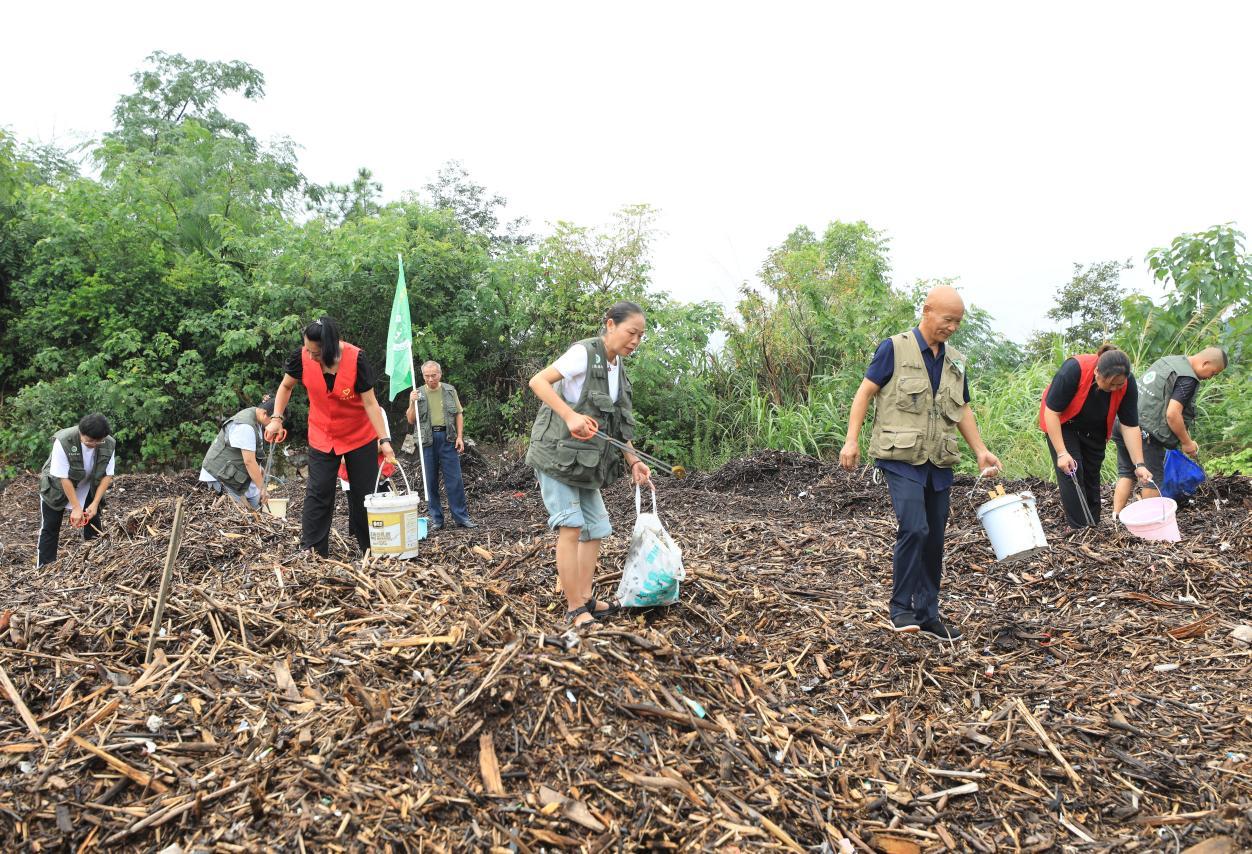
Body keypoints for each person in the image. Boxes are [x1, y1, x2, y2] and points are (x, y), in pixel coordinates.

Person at [840, 286, 1001, 640]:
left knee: (934, 538)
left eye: (958, 322)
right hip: (900, 457)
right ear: (927, 311)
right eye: (948, 319)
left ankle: (929, 614)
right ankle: (900, 608)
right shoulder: (894, 348)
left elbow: (962, 410)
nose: (953, 327)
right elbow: (865, 392)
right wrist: (851, 439)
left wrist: (980, 451)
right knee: (915, 527)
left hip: (938, 459)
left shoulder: (956, 360)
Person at [527, 301, 653, 629]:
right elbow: (538, 382)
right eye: (631, 332)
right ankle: (573, 609)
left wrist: (634, 461)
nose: (635, 341)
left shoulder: (617, 367)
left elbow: (617, 427)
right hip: (556, 456)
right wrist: (569, 415)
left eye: (640, 336)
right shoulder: (584, 353)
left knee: (596, 528)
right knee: (570, 526)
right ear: (610, 325)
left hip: (586, 463)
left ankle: (584, 597)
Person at [265, 317, 395, 556]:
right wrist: (276, 418)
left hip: (359, 435)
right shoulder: (301, 357)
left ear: (331, 347)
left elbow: (370, 403)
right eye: (307, 349)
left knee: (363, 494)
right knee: (319, 490)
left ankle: (371, 549)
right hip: (322, 433)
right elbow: (285, 387)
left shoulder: (357, 359)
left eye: (315, 352)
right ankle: (313, 551)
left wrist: (384, 441)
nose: (310, 356)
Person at [1039, 344, 1151, 529]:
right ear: (1097, 372)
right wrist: (1061, 453)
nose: (1115, 388)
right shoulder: (1074, 369)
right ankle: (1080, 529)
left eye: (1119, 384)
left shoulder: (1127, 383)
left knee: (1092, 475)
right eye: (1110, 384)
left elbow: (1130, 425)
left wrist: (1139, 464)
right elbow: (1051, 413)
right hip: (1064, 424)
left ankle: (1093, 524)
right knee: (1072, 472)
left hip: (1096, 429)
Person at [1112, 347, 1228, 514]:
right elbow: (1173, 414)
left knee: (1126, 473)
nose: (1211, 377)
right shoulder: (1188, 378)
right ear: (1206, 363)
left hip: (1123, 422)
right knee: (1151, 479)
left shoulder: (1168, 361)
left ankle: (1116, 517)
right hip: (1146, 433)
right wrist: (1187, 442)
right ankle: (1149, 525)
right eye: (1214, 372)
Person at [37, 413, 116, 567]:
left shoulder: (109, 443)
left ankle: (94, 564)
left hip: (88, 485)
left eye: (98, 441)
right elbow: (63, 478)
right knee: (50, 527)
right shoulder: (64, 441)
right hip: (57, 487)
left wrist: (94, 503)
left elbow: (108, 476)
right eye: (89, 441)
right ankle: (44, 567)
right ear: (81, 432)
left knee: (93, 524)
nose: (94, 444)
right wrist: (76, 507)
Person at [405, 361, 476, 530]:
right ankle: (437, 519)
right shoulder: (417, 393)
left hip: (448, 438)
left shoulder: (450, 390)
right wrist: (412, 402)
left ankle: (461, 517)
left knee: (455, 479)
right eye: (427, 376)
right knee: (430, 481)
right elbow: (410, 419)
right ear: (423, 376)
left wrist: (460, 437)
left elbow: (458, 414)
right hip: (427, 440)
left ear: (440, 374)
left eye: (434, 375)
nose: (431, 379)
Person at [199, 399, 276, 510]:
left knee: (254, 512)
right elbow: (249, 462)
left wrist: (259, 469)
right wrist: (263, 488)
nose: (275, 427)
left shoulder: (256, 420)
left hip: (232, 473)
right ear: (265, 414)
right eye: (274, 423)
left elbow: (247, 454)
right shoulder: (246, 426)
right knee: (241, 515)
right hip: (220, 475)